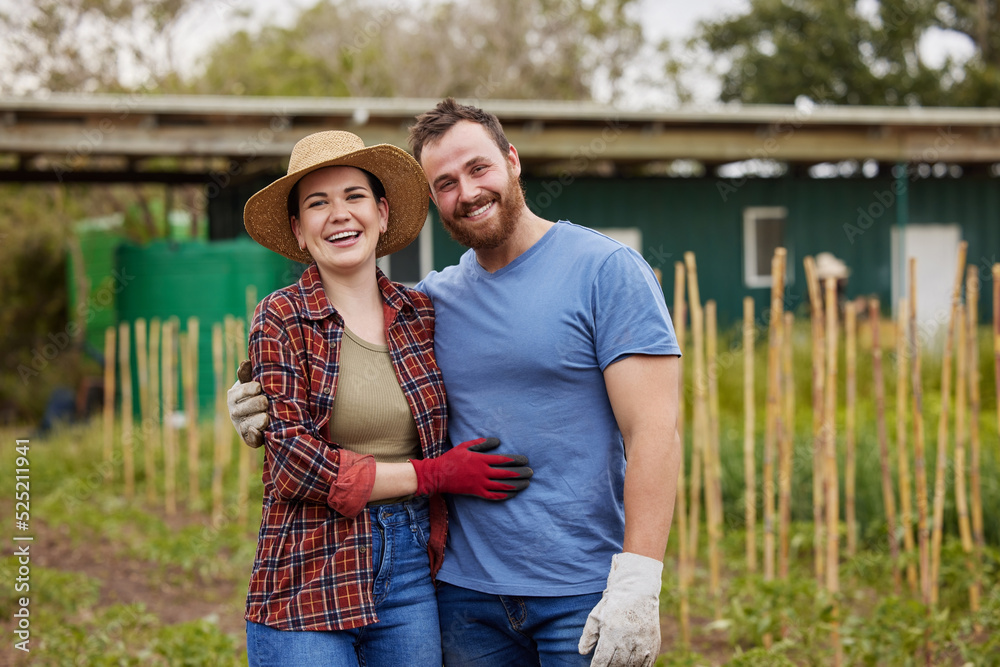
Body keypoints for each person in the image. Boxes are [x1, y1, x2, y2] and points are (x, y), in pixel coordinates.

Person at [232, 101, 682, 667]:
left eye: (478, 168)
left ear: (512, 161)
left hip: (576, 587)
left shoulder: (602, 270)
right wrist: (258, 403)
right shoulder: (432, 301)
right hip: (462, 595)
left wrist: (639, 580)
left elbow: (655, 432)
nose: (466, 192)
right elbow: (325, 408)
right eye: (444, 183)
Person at [235, 129, 533, 667]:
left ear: (383, 211)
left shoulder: (421, 315)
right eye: (317, 204)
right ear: (300, 232)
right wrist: (434, 475)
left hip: (411, 570)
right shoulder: (280, 317)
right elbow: (293, 465)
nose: (339, 215)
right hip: (308, 569)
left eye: (353, 197)